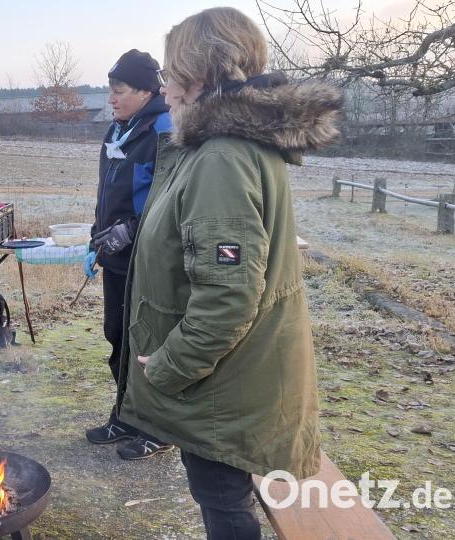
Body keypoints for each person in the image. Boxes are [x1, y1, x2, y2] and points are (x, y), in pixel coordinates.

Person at [116, 7, 339, 539]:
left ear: (197, 74)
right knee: (222, 498)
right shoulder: (220, 149)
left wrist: (170, 366)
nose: (163, 87)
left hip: (223, 385)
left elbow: (228, 297)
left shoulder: (222, 156)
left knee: (223, 502)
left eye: (169, 74)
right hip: (232, 376)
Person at [83, 49, 178, 460]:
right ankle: (126, 416)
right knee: (117, 336)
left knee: (148, 342)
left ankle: (159, 427)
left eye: (119, 91)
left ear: (145, 91)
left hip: (150, 260)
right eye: (111, 91)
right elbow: (108, 196)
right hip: (116, 257)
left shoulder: (165, 129)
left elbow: (172, 201)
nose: (112, 99)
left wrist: (132, 231)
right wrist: (95, 238)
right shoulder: (119, 131)